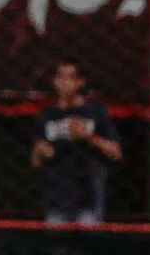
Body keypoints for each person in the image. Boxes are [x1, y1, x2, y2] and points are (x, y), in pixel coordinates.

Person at [31, 61, 121, 227]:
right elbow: (35, 161)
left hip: (88, 195)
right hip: (57, 196)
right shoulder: (47, 115)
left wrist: (88, 137)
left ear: (80, 82)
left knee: (88, 244)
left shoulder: (95, 111)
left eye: (69, 78)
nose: (64, 83)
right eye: (60, 77)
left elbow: (115, 152)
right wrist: (40, 150)